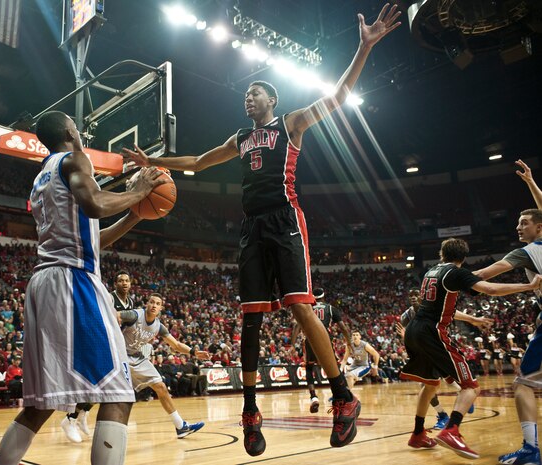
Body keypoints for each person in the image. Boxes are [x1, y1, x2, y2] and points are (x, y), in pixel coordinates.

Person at [123, 4, 401, 456]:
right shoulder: (240, 137)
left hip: (285, 220)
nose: (246, 99)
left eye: (254, 94)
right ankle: (250, 411)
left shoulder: (291, 123)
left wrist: (364, 47)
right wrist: (153, 162)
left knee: (300, 308)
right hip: (252, 228)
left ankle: (343, 397)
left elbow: (337, 96)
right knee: (250, 318)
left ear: (271, 100)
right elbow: (196, 162)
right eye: (245, 95)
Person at [0, 110, 165, 465]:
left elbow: (91, 238)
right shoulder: (76, 159)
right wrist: (139, 192)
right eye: (77, 125)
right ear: (70, 131)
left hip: (46, 283)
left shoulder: (44, 176)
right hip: (73, 283)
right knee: (118, 393)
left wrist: (133, 214)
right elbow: (96, 204)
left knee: (42, 405)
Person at [400, 237, 542, 459]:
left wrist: (472, 320)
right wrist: (529, 286)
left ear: (441, 254)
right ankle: (452, 430)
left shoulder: (431, 271)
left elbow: (439, 306)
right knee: (471, 386)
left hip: (413, 331)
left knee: (430, 385)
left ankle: (418, 432)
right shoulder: (456, 273)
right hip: (432, 332)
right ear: (463, 257)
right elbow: (491, 289)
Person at [474, 159, 542, 465]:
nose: (518, 227)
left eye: (524, 223)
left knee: (523, 385)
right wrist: (530, 184)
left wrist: (455, 277)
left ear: (538, 227)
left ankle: (531, 450)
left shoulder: (528, 251)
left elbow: (491, 271)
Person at [396, 288, 492, 432]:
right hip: (422, 351)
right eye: (410, 295)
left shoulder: (432, 306)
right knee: (427, 386)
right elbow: (407, 337)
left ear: (423, 296)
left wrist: (472, 320)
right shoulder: (406, 316)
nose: (413, 297)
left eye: (416, 294)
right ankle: (442, 415)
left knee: (447, 378)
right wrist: (405, 337)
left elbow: (452, 312)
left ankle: (461, 395)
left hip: (437, 346)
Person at [119, 293, 208, 438]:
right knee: (110, 391)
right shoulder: (134, 315)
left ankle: (181, 427)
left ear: (161, 308)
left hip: (136, 357)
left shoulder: (158, 327)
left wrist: (194, 352)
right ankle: (75, 415)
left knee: (161, 387)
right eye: (152, 302)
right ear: (147, 304)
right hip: (119, 354)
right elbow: (114, 315)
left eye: (157, 304)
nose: (154, 305)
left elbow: (176, 345)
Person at [61, 270, 135, 443]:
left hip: (118, 346)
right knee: (97, 384)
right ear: (115, 284)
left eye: (127, 280)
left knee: (105, 387)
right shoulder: (109, 298)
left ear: (130, 284)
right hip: (102, 343)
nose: (124, 283)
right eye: (121, 280)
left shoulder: (130, 301)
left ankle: (82, 415)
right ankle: (70, 418)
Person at [291, 287, 350, 414]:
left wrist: (292, 344)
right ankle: (341, 394)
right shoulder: (330, 308)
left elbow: (297, 326)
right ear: (323, 297)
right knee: (333, 367)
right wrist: (348, 341)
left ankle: (313, 397)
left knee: (309, 368)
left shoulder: (308, 308)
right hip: (325, 338)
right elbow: (343, 327)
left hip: (309, 339)